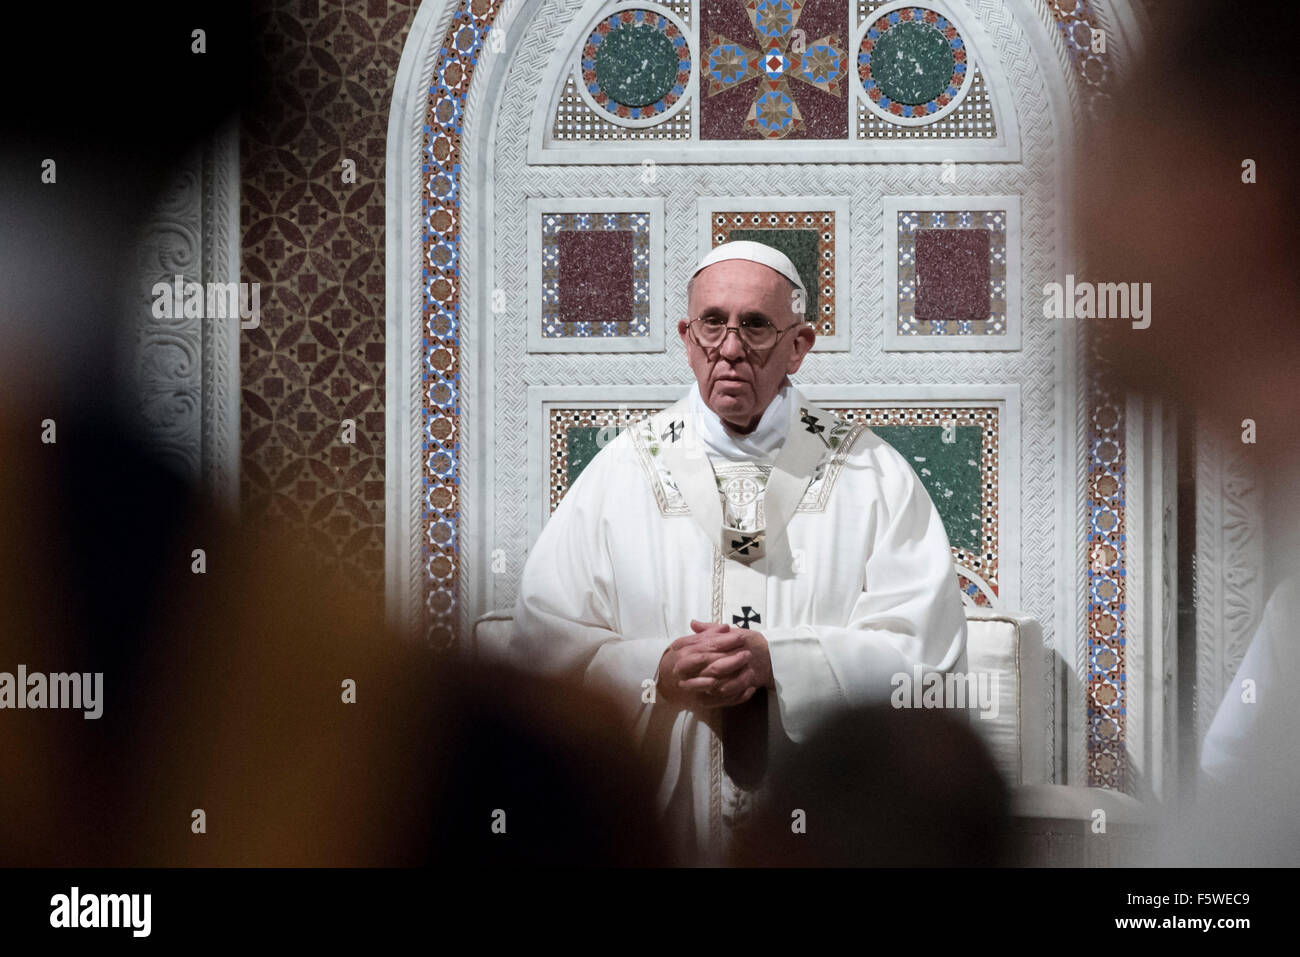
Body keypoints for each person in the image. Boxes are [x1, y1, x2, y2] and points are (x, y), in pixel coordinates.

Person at [509, 240, 967, 865]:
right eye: (712, 324)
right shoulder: (623, 472)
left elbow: (927, 662)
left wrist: (783, 663)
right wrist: (657, 673)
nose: (729, 348)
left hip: (821, 826)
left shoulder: (870, 474)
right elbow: (542, 659)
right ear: (685, 334)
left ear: (799, 345)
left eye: (755, 326)